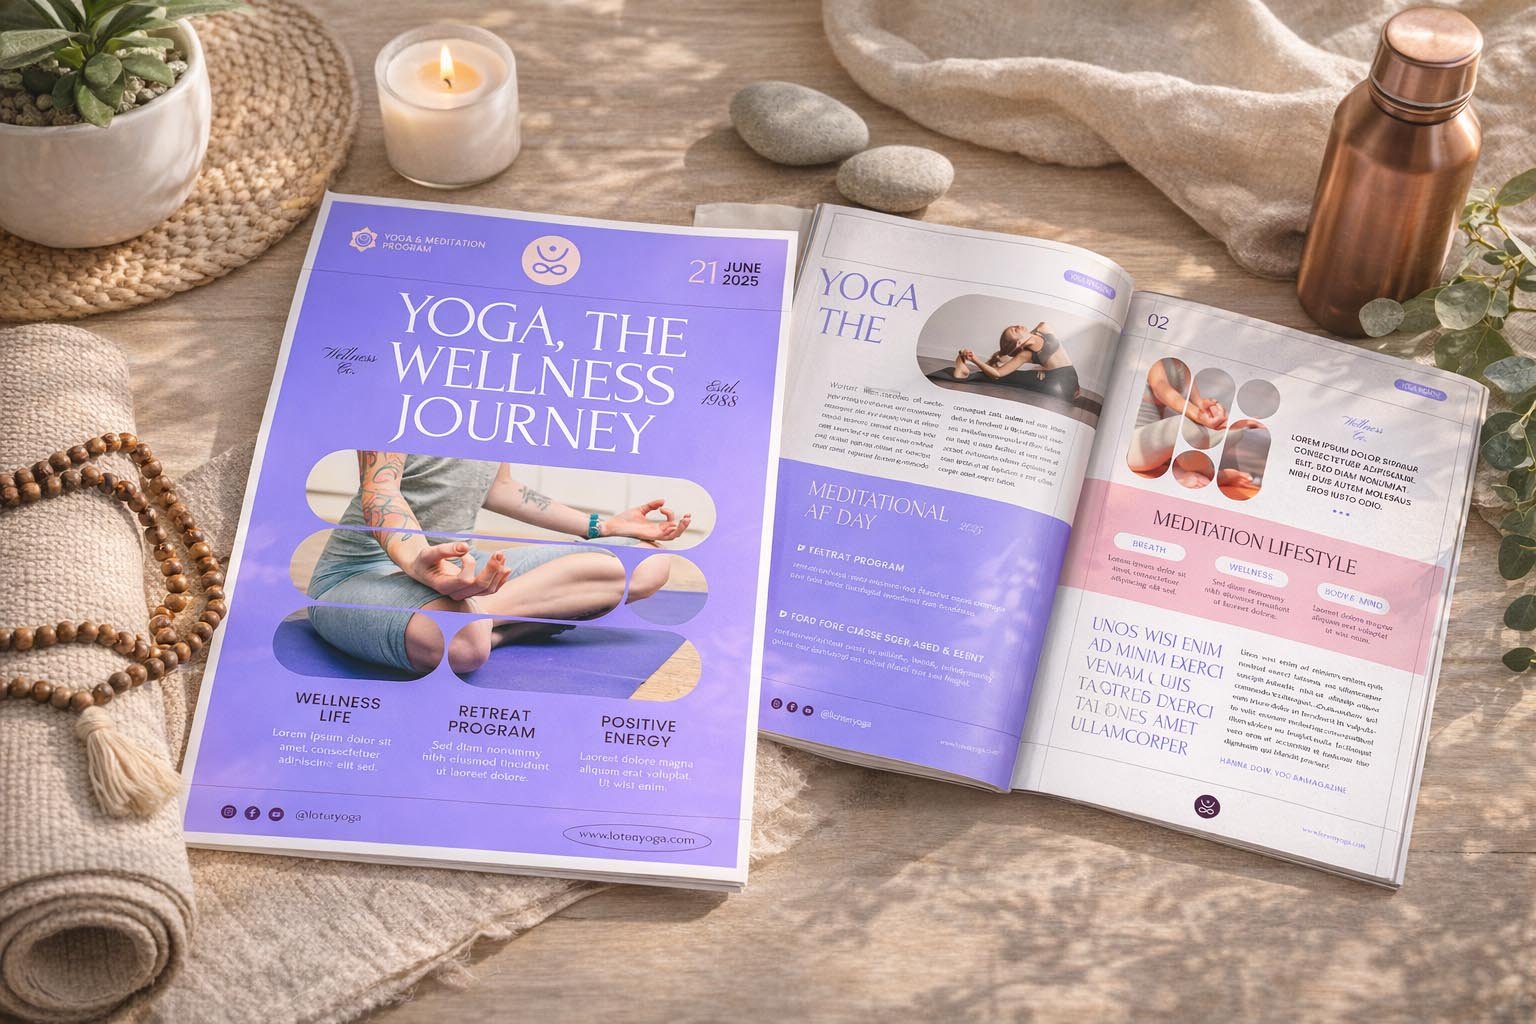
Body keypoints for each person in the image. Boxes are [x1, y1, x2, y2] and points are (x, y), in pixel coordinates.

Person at [305, 453, 690, 675]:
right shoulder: (405, 387)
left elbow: (500, 488)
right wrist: (417, 561)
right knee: (466, 648)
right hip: (363, 575)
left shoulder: (493, 404)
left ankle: (476, 617)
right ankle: (495, 626)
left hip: (463, 566)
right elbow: (380, 491)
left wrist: (602, 525)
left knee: (649, 562)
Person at [1124, 359, 1229, 475]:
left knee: (1230, 433)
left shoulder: (1185, 367)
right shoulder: (1155, 357)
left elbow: (1200, 404)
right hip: (1133, 444)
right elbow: (1161, 387)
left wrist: (1214, 415)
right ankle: (1214, 475)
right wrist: (1198, 415)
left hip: (1158, 449)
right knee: (1184, 426)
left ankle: (1184, 468)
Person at [939, 321, 1080, 401]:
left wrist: (1043, 368)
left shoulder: (1042, 328)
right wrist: (975, 360)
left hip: (1066, 380)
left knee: (1017, 376)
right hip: (1060, 382)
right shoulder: (1026, 355)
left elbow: (1056, 355)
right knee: (1011, 377)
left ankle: (965, 373)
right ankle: (964, 372)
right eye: (1014, 330)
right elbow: (997, 373)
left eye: (1014, 326)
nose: (1018, 326)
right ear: (1017, 343)